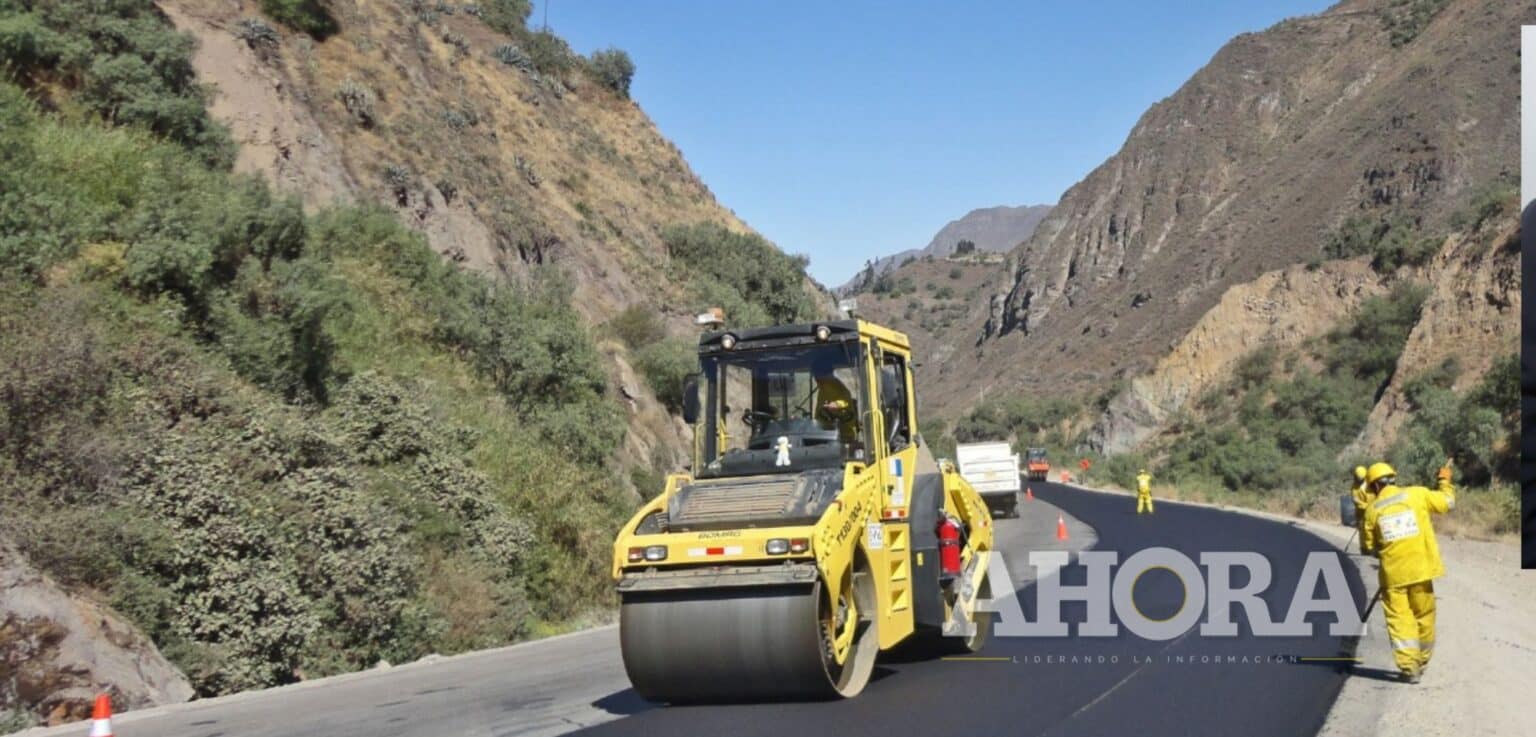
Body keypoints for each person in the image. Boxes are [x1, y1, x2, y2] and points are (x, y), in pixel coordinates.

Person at [1360, 460, 1455, 684]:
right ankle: (1421, 660)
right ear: (1394, 478)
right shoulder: (1417, 494)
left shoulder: (1372, 511)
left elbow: (1368, 548)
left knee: (1400, 620)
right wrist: (1444, 480)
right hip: (1421, 570)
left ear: (1374, 486)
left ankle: (1408, 667)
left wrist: (1382, 548)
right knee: (1424, 617)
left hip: (1394, 576)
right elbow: (1447, 503)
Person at [814, 373, 859, 445]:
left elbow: (845, 400)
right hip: (824, 435)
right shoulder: (822, 389)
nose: (816, 379)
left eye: (816, 375)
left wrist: (837, 404)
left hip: (843, 437)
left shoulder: (834, 386)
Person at [1351, 465, 1373, 554]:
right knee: (1362, 530)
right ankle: (1364, 548)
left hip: (1373, 510)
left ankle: (1373, 547)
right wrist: (1365, 506)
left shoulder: (1370, 484)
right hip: (1361, 512)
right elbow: (1355, 500)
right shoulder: (1354, 487)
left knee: (1371, 529)